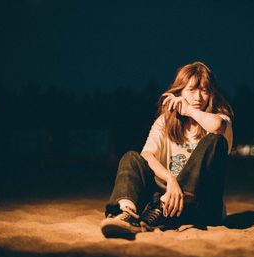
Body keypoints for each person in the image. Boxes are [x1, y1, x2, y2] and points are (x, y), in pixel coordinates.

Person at [100, 61, 234, 238]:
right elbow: (147, 155)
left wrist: (190, 111)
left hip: (202, 205)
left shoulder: (219, 119)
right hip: (165, 203)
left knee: (215, 141)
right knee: (131, 157)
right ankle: (126, 213)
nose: (198, 97)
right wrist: (170, 179)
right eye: (192, 90)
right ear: (180, 91)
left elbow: (217, 126)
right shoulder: (165, 121)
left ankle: (161, 210)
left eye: (204, 90)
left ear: (211, 94)